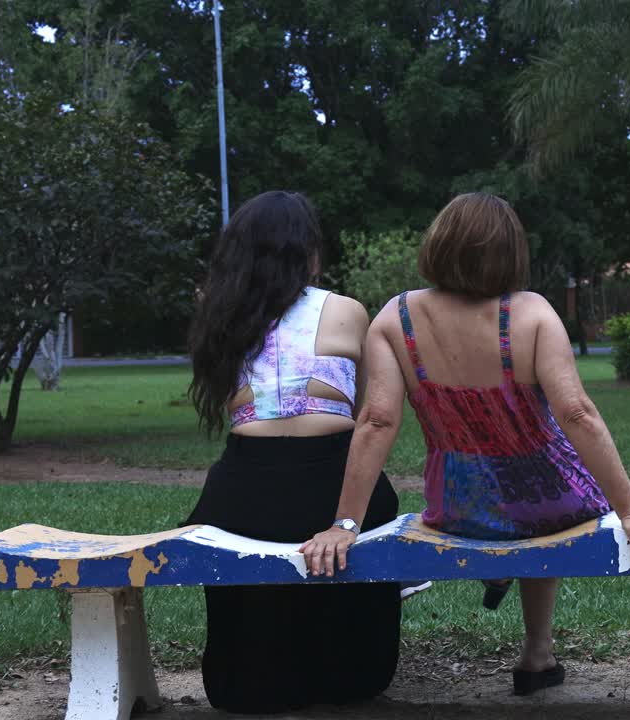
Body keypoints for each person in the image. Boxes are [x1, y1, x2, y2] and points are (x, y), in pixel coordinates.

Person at [301, 192, 630, 696]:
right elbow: (576, 413)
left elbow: (375, 421)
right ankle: (537, 653)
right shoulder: (533, 314)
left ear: (440, 244)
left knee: (513, 517)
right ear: (511, 253)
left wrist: (344, 523)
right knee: (541, 511)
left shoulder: (395, 319)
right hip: (551, 498)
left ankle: (511, 595)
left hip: (460, 505)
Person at [184, 191, 401, 713]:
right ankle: (342, 664)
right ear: (307, 251)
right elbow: (366, 405)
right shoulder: (345, 311)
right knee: (378, 510)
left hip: (244, 487)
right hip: (332, 480)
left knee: (239, 541)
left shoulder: (217, 309)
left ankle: (261, 666)